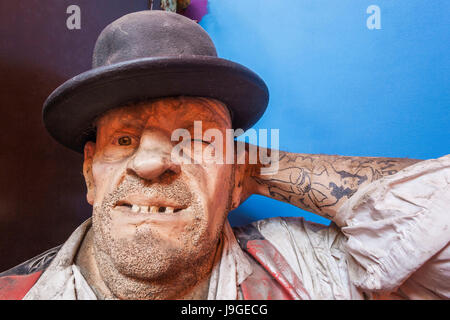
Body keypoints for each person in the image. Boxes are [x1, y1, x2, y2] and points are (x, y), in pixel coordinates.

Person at [0, 10, 448, 300]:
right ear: (89, 175)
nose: (151, 163)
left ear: (237, 175)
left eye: (192, 138)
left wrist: (248, 166)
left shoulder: (316, 273)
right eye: (124, 139)